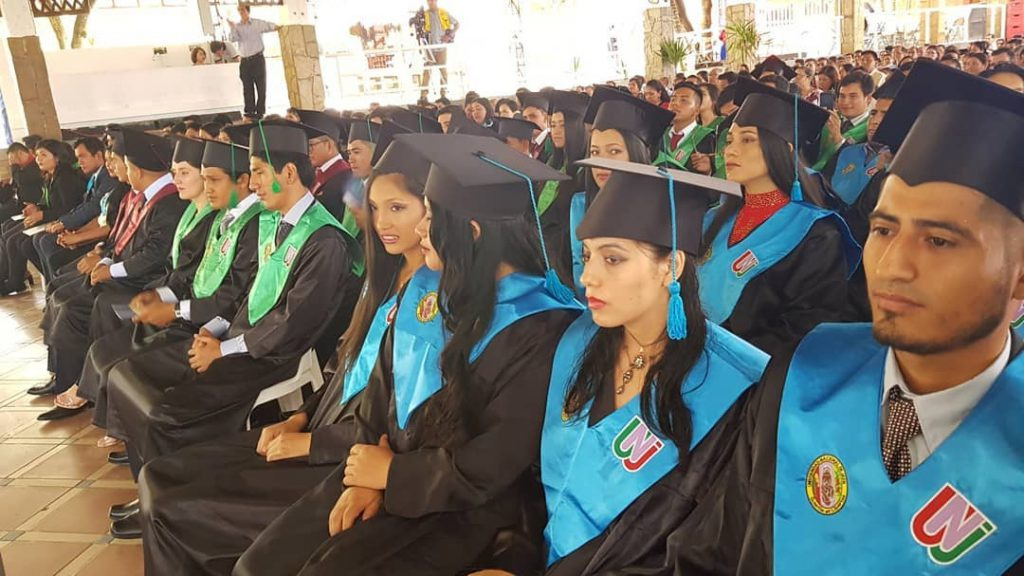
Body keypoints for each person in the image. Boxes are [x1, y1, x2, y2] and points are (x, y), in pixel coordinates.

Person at [659, 57, 1024, 576]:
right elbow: (710, 550)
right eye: (884, 230)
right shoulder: (799, 378)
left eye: (940, 240)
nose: (893, 265)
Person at [230, 133, 582, 576]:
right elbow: (379, 392)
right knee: (258, 565)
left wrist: (392, 476)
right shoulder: (427, 291)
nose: (419, 230)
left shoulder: (542, 326)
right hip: (383, 472)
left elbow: (496, 461)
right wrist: (365, 474)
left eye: (429, 216)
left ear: (471, 233)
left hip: (463, 510)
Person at [137, 131, 431, 576]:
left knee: (178, 507)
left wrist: (313, 439)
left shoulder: (429, 305)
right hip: (323, 419)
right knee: (160, 476)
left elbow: (401, 421)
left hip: (343, 447)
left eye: (397, 208)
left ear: (432, 215)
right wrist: (300, 417)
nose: (379, 222)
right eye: (373, 208)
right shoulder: (383, 279)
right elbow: (344, 366)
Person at [470, 160, 768, 576]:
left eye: (612, 259)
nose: (587, 277)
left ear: (672, 266)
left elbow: (704, 552)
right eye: (586, 255)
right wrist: (512, 562)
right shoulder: (574, 342)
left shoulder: (736, 391)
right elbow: (535, 486)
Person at [103, 120, 364, 538]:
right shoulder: (274, 223)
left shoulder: (324, 240)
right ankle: (152, 490)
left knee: (167, 413)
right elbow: (248, 293)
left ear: (288, 174)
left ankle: (171, 507)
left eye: (259, 172)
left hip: (272, 355)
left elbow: (291, 324)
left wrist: (223, 350)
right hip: (236, 339)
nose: (252, 182)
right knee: (131, 376)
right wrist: (214, 330)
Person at [76, 137, 261, 451]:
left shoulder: (254, 223)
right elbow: (194, 275)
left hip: (217, 326)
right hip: (197, 312)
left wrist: (176, 310)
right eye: (203, 179)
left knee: (130, 370)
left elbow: (236, 294)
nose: (207, 188)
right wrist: (161, 296)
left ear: (242, 181)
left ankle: (141, 442)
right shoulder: (224, 216)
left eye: (212, 179)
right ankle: (132, 436)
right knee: (109, 351)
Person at [699, 78, 859, 357]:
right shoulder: (714, 220)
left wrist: (724, 360)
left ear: (784, 149)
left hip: (756, 372)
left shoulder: (816, 234)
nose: (730, 150)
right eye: (730, 140)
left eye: (748, 140)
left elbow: (805, 327)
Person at [35, 129, 187, 400]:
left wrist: (110, 269)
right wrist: (105, 259)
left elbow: (155, 254)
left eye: (120, 163)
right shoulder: (141, 194)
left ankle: (82, 383)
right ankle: (67, 376)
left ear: (137, 169)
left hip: (146, 279)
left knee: (77, 306)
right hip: (126, 269)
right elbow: (121, 237)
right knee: (62, 292)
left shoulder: (168, 201)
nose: (114, 168)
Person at [568, 86, 674, 291]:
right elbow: (579, 268)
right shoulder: (580, 204)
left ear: (636, 154)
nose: (602, 162)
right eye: (595, 152)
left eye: (614, 151)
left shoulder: (664, 206)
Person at [829, 72, 906, 322]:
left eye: (886, 115)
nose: (876, 121)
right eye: (874, 113)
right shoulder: (851, 152)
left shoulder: (908, 174)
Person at [0, 140, 86, 294]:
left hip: (64, 222)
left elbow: (68, 208)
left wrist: (42, 214)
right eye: (37, 155)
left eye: (43, 155)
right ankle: (41, 281)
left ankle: (44, 282)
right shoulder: (50, 176)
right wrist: (37, 208)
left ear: (57, 157)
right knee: (13, 237)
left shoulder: (65, 177)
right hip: (49, 218)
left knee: (22, 242)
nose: (38, 159)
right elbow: (51, 203)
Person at [32, 137, 120, 284]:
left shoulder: (110, 180)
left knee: (49, 245)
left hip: (106, 240)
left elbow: (96, 209)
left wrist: (73, 231)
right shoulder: (96, 176)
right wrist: (72, 230)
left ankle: (56, 286)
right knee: (38, 240)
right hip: (94, 228)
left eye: (82, 156)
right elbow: (97, 212)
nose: (79, 162)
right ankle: (53, 286)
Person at [539, 89, 589, 279]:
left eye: (562, 125)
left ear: (576, 127)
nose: (556, 131)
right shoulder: (552, 163)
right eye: (553, 125)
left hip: (566, 259)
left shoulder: (585, 172)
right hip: (543, 253)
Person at [294, 109, 357, 227]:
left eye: (311, 145)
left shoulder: (346, 177)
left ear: (328, 145)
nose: (307, 151)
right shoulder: (314, 173)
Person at [814, 70, 875, 173]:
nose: (845, 102)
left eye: (853, 96)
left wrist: (839, 140)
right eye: (842, 96)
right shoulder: (832, 119)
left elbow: (859, 165)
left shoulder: (872, 128)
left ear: (868, 99)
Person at [227, 3, 279, 119]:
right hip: (245, 61)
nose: (241, 12)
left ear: (248, 11)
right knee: (247, 87)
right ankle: (250, 112)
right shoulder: (237, 26)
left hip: (257, 58)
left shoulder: (257, 23)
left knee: (261, 87)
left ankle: (260, 112)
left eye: (243, 10)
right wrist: (232, 28)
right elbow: (232, 39)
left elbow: (269, 26)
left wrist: (279, 27)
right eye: (239, 10)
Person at [655, 82, 716, 173]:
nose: (675, 104)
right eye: (673, 99)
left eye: (683, 100)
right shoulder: (659, 134)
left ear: (697, 110)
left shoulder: (708, 138)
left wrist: (708, 171)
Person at [420, 0, 459, 88]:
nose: (431, 2)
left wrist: (449, 36)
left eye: (432, 0)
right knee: (427, 71)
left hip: (441, 47)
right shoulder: (424, 15)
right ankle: (423, 94)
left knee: (443, 70)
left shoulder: (443, 12)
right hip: (429, 48)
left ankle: (443, 92)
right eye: (429, 1)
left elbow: (457, 24)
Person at [519, 91, 554, 164]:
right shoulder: (527, 143)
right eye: (525, 117)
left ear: (545, 117)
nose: (528, 121)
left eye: (533, 116)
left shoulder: (552, 143)